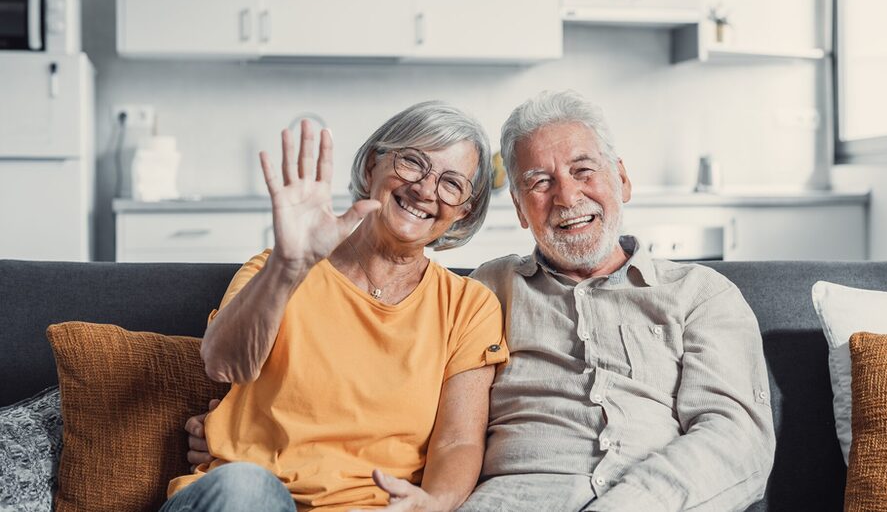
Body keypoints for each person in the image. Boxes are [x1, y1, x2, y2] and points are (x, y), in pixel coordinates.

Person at [188, 91, 776, 511]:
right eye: (538, 182)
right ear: (519, 210)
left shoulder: (698, 295)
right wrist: (292, 266)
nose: (565, 195)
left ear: (621, 180)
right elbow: (227, 367)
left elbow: (737, 442)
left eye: (583, 170)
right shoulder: (490, 290)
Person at [166, 101, 508, 512]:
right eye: (413, 162)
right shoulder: (274, 269)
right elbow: (224, 365)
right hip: (249, 498)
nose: (425, 189)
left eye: (451, 183)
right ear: (371, 168)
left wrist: (432, 504)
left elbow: (459, 441)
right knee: (246, 490)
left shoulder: (468, 307)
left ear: (463, 212)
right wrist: (287, 267)